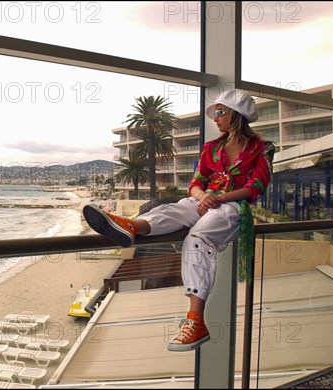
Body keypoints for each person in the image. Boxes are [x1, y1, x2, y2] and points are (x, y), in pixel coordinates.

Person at [83, 89, 275, 352]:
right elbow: (196, 183)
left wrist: (218, 198)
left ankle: (196, 321)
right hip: (204, 199)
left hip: (232, 207)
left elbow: (256, 186)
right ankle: (129, 226)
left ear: (237, 115)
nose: (215, 118)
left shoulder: (262, 149)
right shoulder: (212, 148)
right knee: (171, 210)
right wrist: (203, 195)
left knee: (197, 237)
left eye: (220, 112)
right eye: (215, 113)